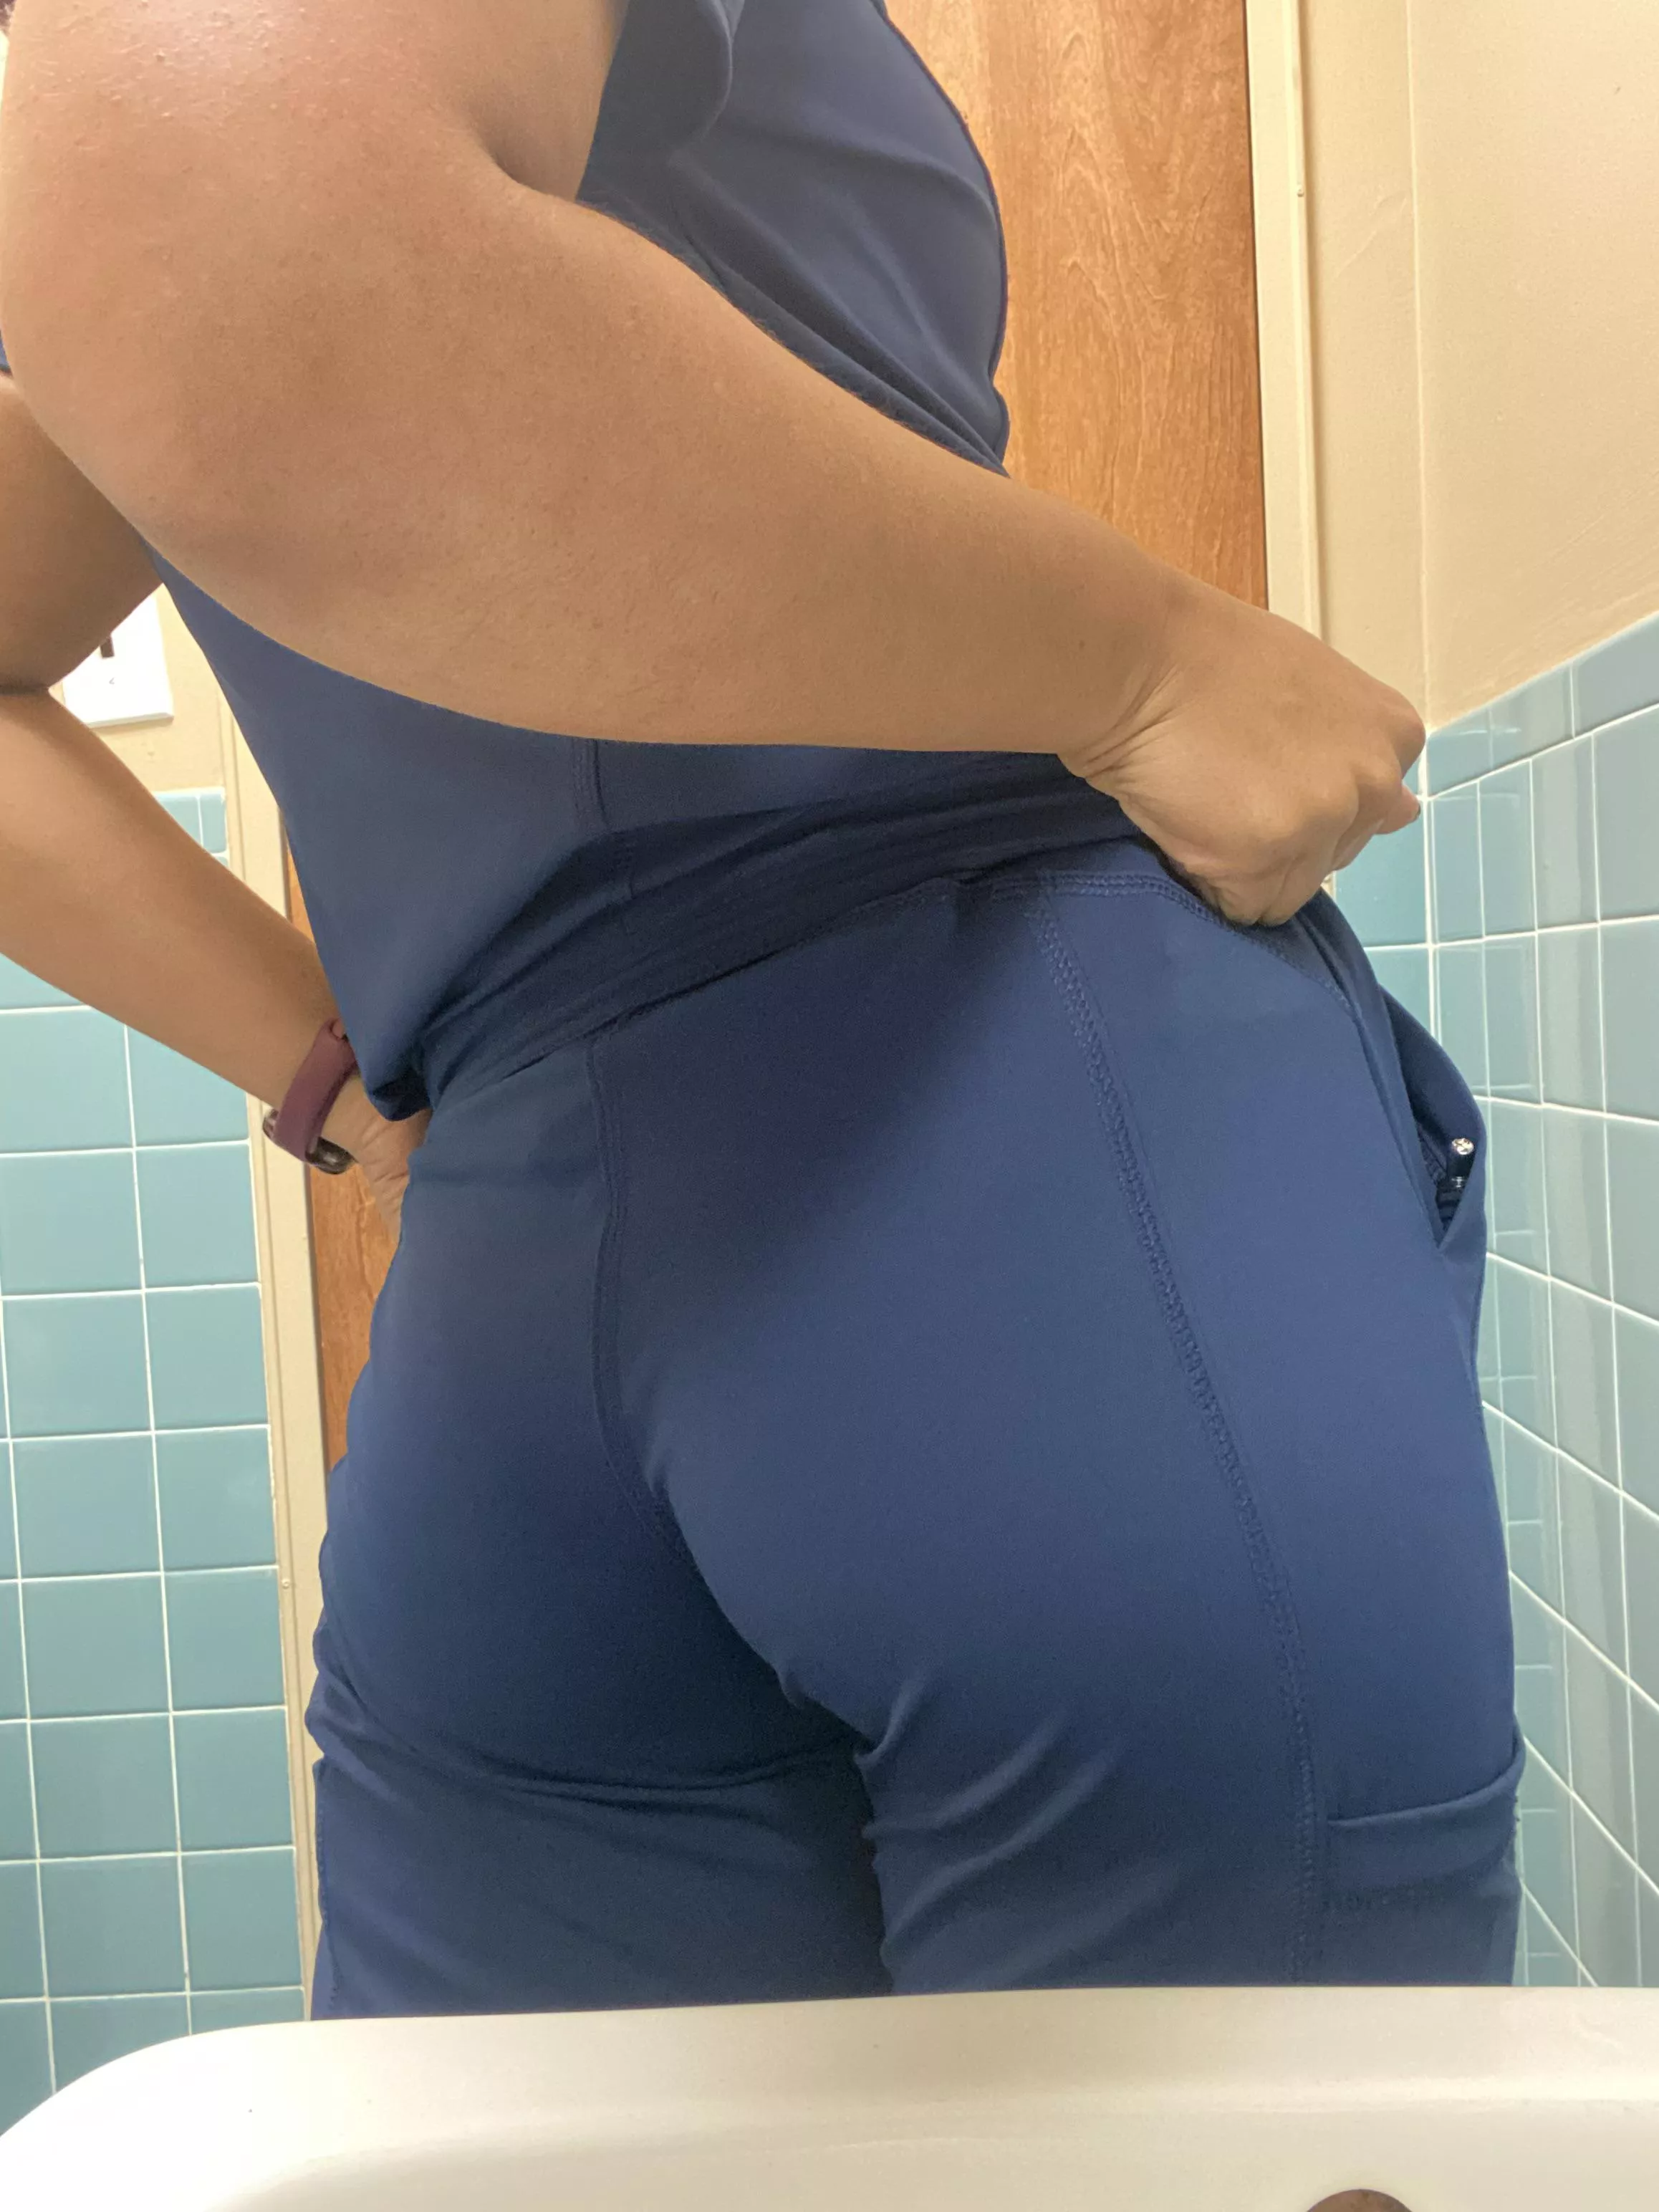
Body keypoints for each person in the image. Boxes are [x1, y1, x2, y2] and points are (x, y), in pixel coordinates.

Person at [0, 0, 1519, 2011]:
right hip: (1016, 1155)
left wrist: (337, 1081)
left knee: (534, 2154)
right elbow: (243, 255)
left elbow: (224, 288)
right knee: (1242, 2133)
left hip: (526, 1299)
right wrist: (1151, 664)